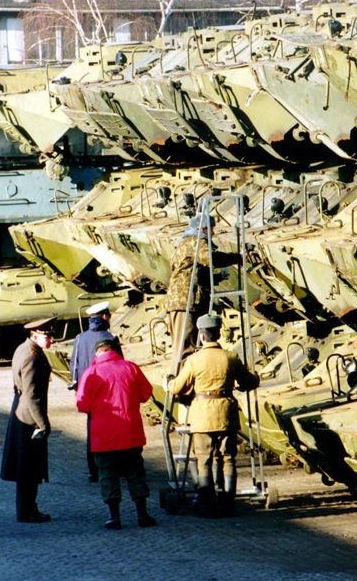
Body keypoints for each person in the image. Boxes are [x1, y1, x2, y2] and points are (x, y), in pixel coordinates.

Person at [167, 313, 259, 517]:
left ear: (201, 336)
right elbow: (249, 382)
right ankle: (228, 504)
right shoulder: (231, 357)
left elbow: (177, 388)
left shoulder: (193, 360)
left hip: (202, 416)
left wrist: (170, 381)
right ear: (219, 333)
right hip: (227, 414)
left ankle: (207, 505)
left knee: (204, 460)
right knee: (228, 458)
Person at [76, 339, 156, 529]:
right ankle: (142, 514)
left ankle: (114, 517)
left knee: (108, 475)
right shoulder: (131, 368)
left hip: (103, 437)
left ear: (97, 354)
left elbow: (82, 405)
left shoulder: (91, 373)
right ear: (114, 351)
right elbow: (146, 394)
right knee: (135, 473)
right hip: (130, 433)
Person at [164, 215, 240, 371]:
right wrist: (237, 257)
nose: (212, 233)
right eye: (211, 228)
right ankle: (182, 389)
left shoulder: (187, 244)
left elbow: (197, 274)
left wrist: (218, 277)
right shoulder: (196, 241)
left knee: (190, 346)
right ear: (203, 228)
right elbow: (210, 258)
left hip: (184, 301)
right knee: (186, 349)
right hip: (186, 302)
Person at [0, 317, 54, 523]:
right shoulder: (32, 356)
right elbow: (31, 394)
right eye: (47, 336)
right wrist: (42, 423)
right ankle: (26, 511)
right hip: (29, 418)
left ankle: (29, 508)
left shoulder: (23, 349)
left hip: (22, 413)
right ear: (36, 335)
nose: (51, 341)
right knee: (28, 468)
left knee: (28, 467)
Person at [69, 300, 119, 482]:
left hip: (88, 393)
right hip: (109, 393)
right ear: (105, 316)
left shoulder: (80, 338)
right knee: (113, 429)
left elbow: (73, 365)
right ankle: (113, 468)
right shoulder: (110, 338)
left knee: (92, 431)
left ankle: (93, 471)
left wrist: (78, 388)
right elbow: (118, 365)